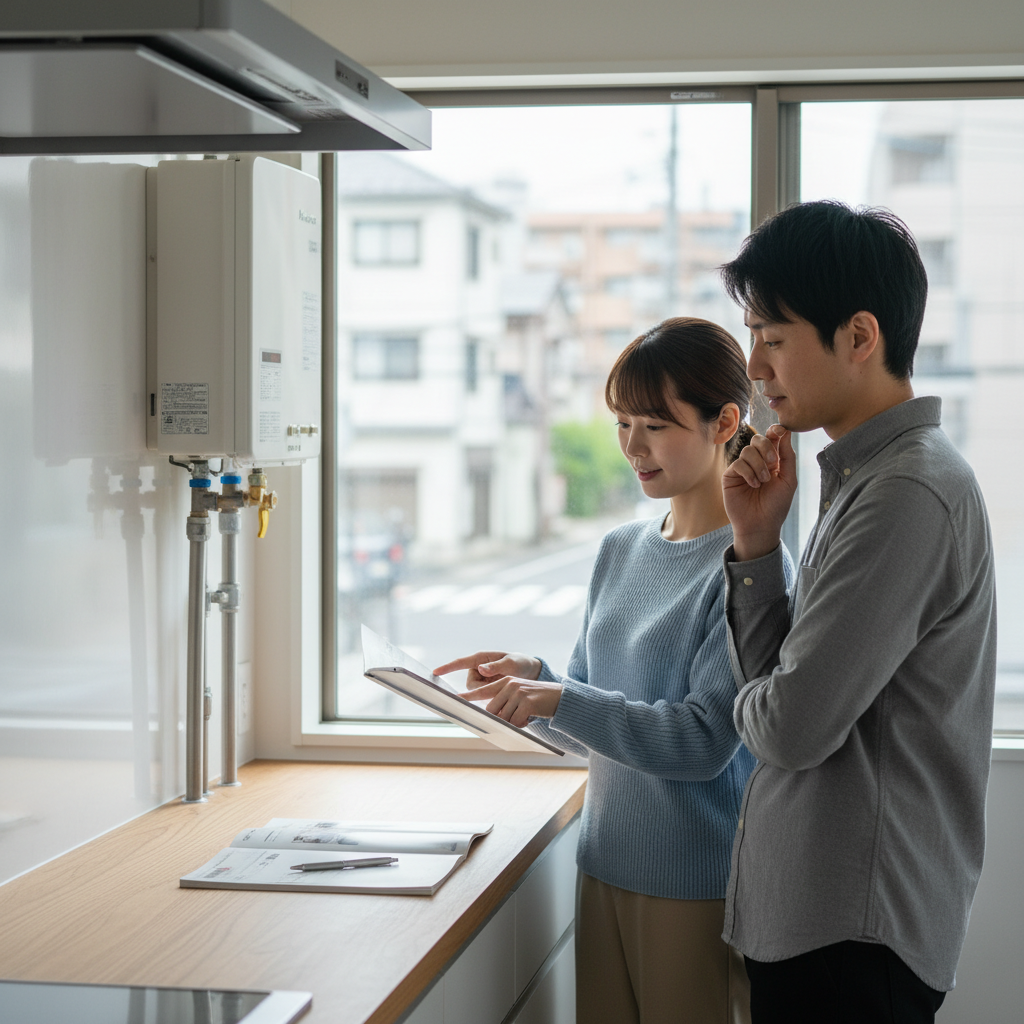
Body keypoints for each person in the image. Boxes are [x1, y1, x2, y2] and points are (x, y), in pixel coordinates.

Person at [435, 317, 782, 1024]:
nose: (631, 447)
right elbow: (591, 724)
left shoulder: (748, 572)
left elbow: (702, 743)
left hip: (697, 888)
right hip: (602, 867)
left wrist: (557, 697)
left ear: (725, 422)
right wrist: (533, 683)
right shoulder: (619, 551)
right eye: (622, 422)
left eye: (653, 425)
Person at [717, 200, 997, 1023]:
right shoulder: (866, 480)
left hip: (852, 936)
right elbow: (788, 697)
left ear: (860, 336)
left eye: (772, 336)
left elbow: (792, 725)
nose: (755, 365)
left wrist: (735, 706)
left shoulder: (905, 492)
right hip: (827, 922)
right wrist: (757, 544)